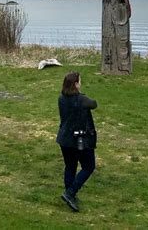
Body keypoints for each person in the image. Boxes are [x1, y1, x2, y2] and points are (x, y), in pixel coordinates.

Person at [56, 71, 97, 212]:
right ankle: (71, 192)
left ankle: (69, 195)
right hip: (79, 140)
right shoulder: (82, 100)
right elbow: (94, 104)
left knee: (70, 166)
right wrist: (81, 94)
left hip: (64, 138)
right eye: (80, 81)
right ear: (76, 84)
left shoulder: (61, 98)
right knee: (88, 166)